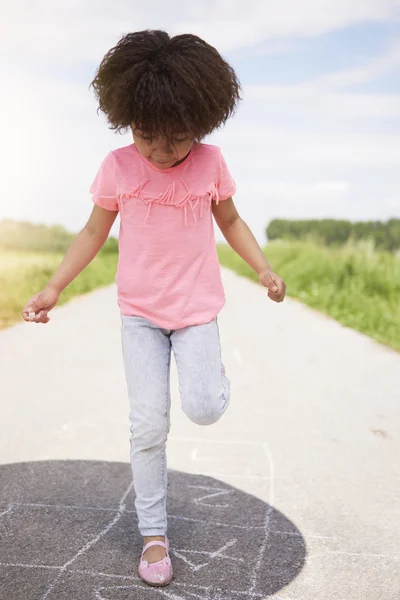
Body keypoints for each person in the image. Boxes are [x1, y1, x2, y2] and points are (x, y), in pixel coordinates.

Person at [21, 29, 286, 587]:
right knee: (147, 425)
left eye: (176, 139)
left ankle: (211, 378)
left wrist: (261, 268)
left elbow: (231, 221)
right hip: (138, 314)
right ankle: (154, 536)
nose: (161, 152)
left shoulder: (211, 162)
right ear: (127, 118)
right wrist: (54, 288)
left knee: (206, 407)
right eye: (147, 136)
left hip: (196, 313)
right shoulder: (118, 166)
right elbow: (94, 232)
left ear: (203, 123)